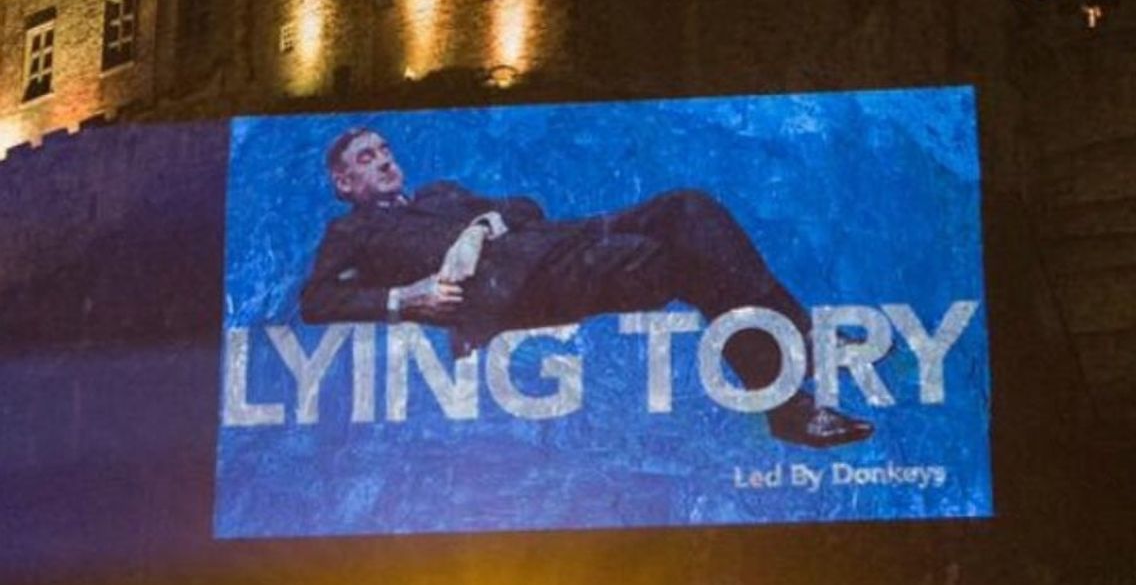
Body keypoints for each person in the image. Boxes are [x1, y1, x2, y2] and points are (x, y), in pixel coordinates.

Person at [301, 128, 873, 448]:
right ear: (343, 181)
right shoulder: (350, 230)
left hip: (565, 236)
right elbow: (318, 299)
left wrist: (481, 225)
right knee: (685, 261)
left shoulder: (441, 194)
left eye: (385, 150)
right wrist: (407, 299)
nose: (384, 161)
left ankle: (792, 381)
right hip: (532, 287)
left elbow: (523, 207)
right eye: (366, 158)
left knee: (690, 207)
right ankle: (791, 389)